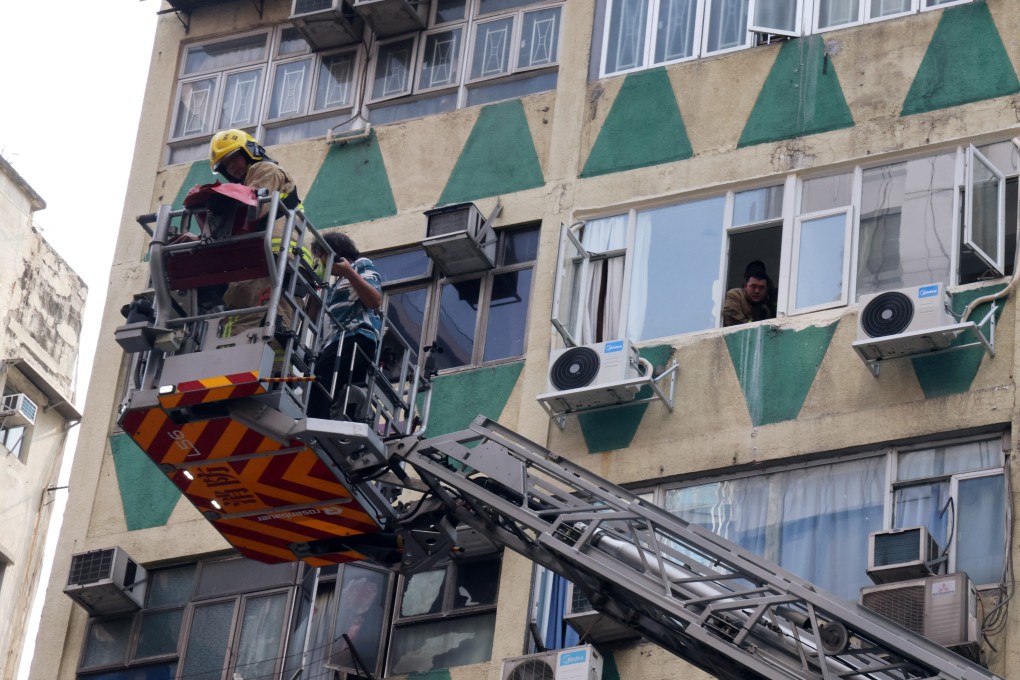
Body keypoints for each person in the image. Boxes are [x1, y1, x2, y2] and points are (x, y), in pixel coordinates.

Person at [206, 129, 306, 335]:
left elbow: (253, 208)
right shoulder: (246, 182)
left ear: (250, 151)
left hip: (276, 255)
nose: (231, 167)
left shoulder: (265, 170)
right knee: (242, 321)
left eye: (234, 158)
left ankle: (273, 367)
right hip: (257, 259)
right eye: (225, 164)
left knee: (271, 323)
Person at [308, 231, 383, 420]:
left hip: (354, 337)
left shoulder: (361, 265)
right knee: (340, 392)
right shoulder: (333, 285)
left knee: (320, 380)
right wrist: (316, 286)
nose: (321, 262)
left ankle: (316, 424)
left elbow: (374, 300)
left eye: (321, 256)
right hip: (336, 342)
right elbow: (311, 318)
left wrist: (349, 272)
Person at [722, 260, 775, 326]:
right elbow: (732, 318)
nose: (757, 291)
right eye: (753, 286)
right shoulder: (735, 295)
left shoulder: (765, 309)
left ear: (766, 290)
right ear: (745, 286)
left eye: (761, 288)